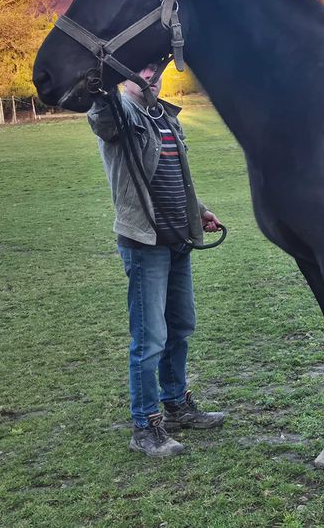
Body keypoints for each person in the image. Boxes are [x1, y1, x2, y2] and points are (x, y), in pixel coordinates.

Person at [88, 64, 226, 457]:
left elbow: (175, 175)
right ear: (122, 76)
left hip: (177, 240)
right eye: (139, 69)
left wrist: (198, 211)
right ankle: (145, 426)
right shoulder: (121, 112)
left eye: (154, 68)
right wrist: (100, 87)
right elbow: (101, 115)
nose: (150, 75)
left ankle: (177, 405)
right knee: (150, 339)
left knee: (181, 326)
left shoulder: (162, 115)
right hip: (144, 243)